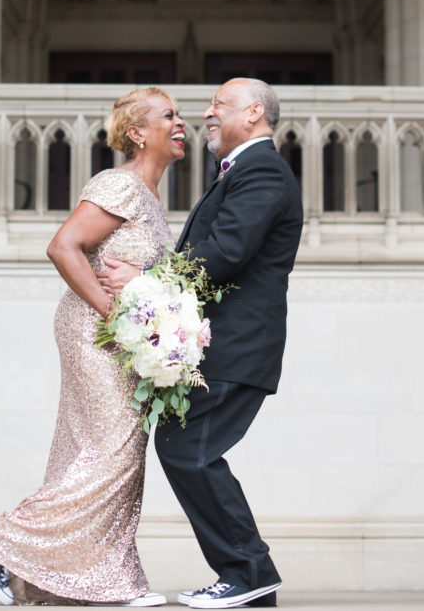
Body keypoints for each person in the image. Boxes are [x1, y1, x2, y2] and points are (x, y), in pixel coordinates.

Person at [0, 87, 186, 607]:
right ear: (137, 132)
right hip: (97, 332)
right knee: (111, 452)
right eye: (169, 116)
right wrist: (117, 317)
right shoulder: (121, 184)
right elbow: (63, 246)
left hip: (126, 339)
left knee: (102, 453)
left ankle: (99, 579)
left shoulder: (152, 198)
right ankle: (3, 539)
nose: (183, 122)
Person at [100, 78, 303, 610]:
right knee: (188, 447)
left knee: (188, 448)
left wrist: (141, 274)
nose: (207, 113)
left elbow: (225, 252)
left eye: (218, 104)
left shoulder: (261, 170)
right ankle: (249, 580)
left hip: (236, 346)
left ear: (254, 112)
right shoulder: (242, 170)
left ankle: (248, 573)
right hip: (227, 345)